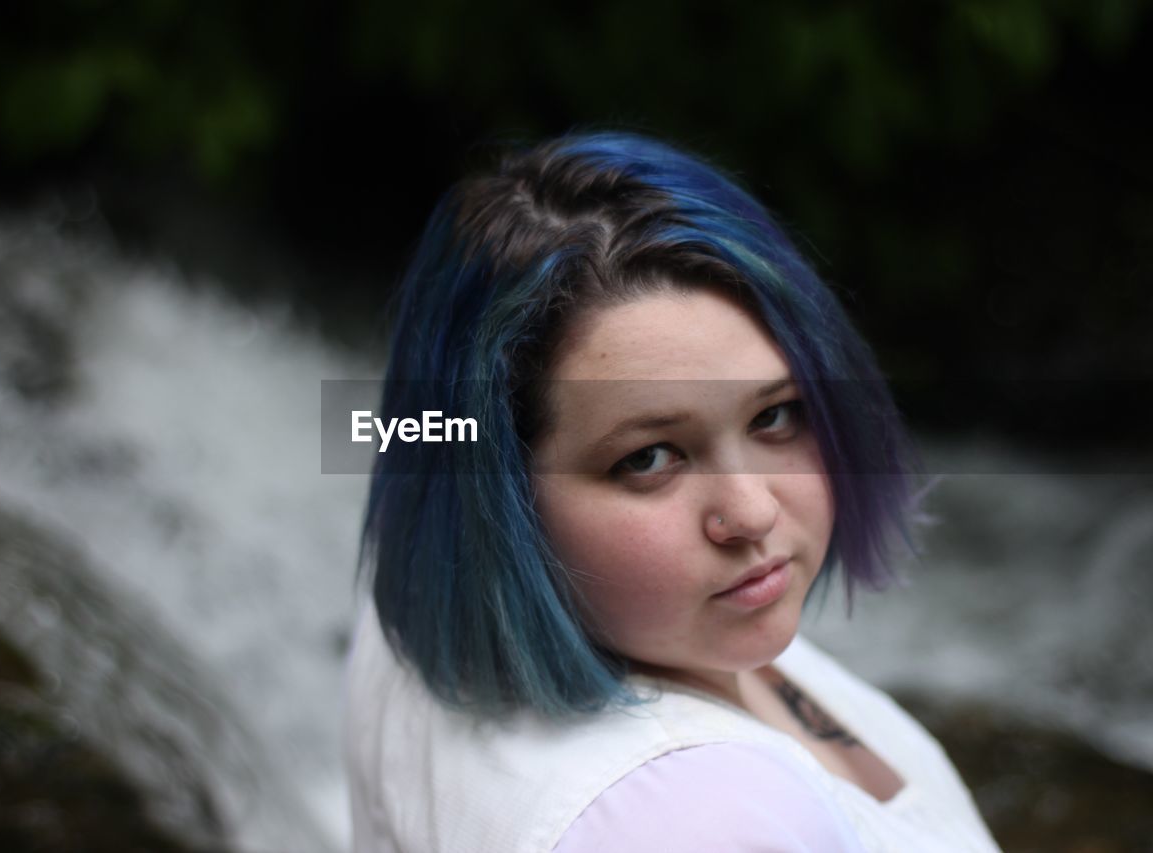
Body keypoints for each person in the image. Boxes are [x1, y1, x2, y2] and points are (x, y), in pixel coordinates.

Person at [343, 132, 1001, 852]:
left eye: (774, 414)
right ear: (497, 496)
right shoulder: (706, 823)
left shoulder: (423, 594)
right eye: (650, 457)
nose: (752, 512)